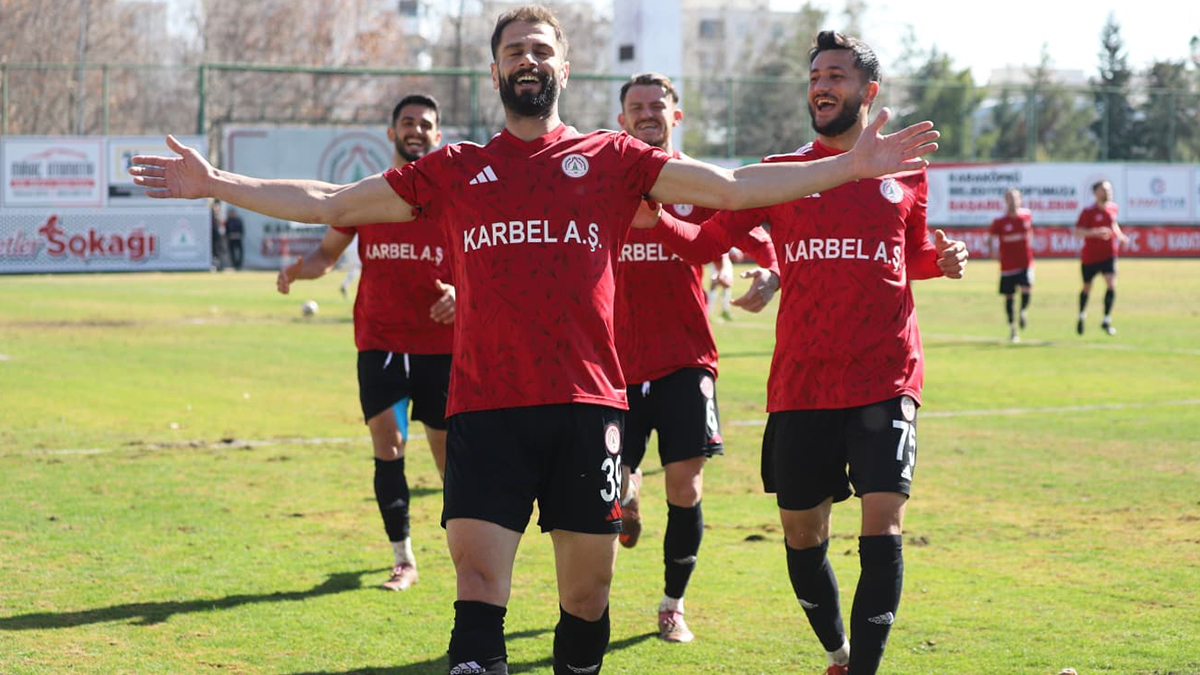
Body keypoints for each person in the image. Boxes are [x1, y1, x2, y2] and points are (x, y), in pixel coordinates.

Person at [129, 6, 939, 673]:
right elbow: (333, 199)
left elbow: (731, 186)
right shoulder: (454, 169)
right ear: (494, 72)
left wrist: (848, 167)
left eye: (541, 49)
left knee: (584, 603)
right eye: (514, 49)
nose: (528, 59)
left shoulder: (613, 157)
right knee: (478, 593)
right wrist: (216, 183)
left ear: (562, 68)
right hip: (485, 408)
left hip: (588, 409)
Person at [642, 30, 968, 675]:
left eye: (837, 75)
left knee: (884, 525)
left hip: (885, 374)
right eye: (815, 75)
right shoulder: (781, 172)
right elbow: (706, 244)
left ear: (867, 91)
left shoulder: (907, 173)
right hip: (803, 383)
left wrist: (941, 258)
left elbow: (905, 257)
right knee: (801, 533)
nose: (822, 85)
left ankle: (865, 669)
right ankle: (839, 654)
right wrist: (652, 217)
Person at [614, 71, 781, 644]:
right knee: (610, 486)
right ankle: (626, 498)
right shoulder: (603, 186)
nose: (647, 114)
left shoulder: (695, 183)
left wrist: (771, 272)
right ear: (622, 119)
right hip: (611, 366)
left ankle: (671, 605)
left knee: (685, 488)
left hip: (686, 358)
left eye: (657, 105)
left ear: (675, 116)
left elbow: (761, 239)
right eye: (636, 107)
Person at [275, 94, 455, 592]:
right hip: (380, 342)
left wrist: (463, 294)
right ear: (391, 133)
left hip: (442, 347)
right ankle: (404, 559)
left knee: (447, 460)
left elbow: (487, 264)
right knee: (390, 447)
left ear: (438, 136)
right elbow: (327, 254)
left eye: (425, 123)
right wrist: (299, 270)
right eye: (407, 122)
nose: (415, 129)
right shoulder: (369, 196)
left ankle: (468, 551)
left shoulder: (453, 201)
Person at [1075, 179, 1126, 336]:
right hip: (1090, 256)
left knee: (1111, 284)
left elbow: (1113, 224)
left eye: (1109, 189)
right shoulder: (1088, 211)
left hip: (1108, 254)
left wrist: (1120, 236)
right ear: (1096, 192)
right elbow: (1078, 231)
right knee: (1087, 287)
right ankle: (1082, 315)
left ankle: (1106, 319)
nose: (1108, 192)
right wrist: (1095, 232)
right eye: (1104, 189)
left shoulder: (1113, 208)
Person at [989, 188, 1034, 343]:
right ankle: (1012, 328)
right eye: (1009, 198)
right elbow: (991, 239)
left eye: (1015, 198)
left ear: (1020, 200)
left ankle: (1023, 311)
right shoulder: (999, 221)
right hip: (1007, 265)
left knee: (1026, 288)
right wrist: (993, 252)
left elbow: (1030, 232)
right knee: (1010, 296)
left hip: (1025, 262)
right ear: (1005, 201)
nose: (1013, 201)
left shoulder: (1027, 215)